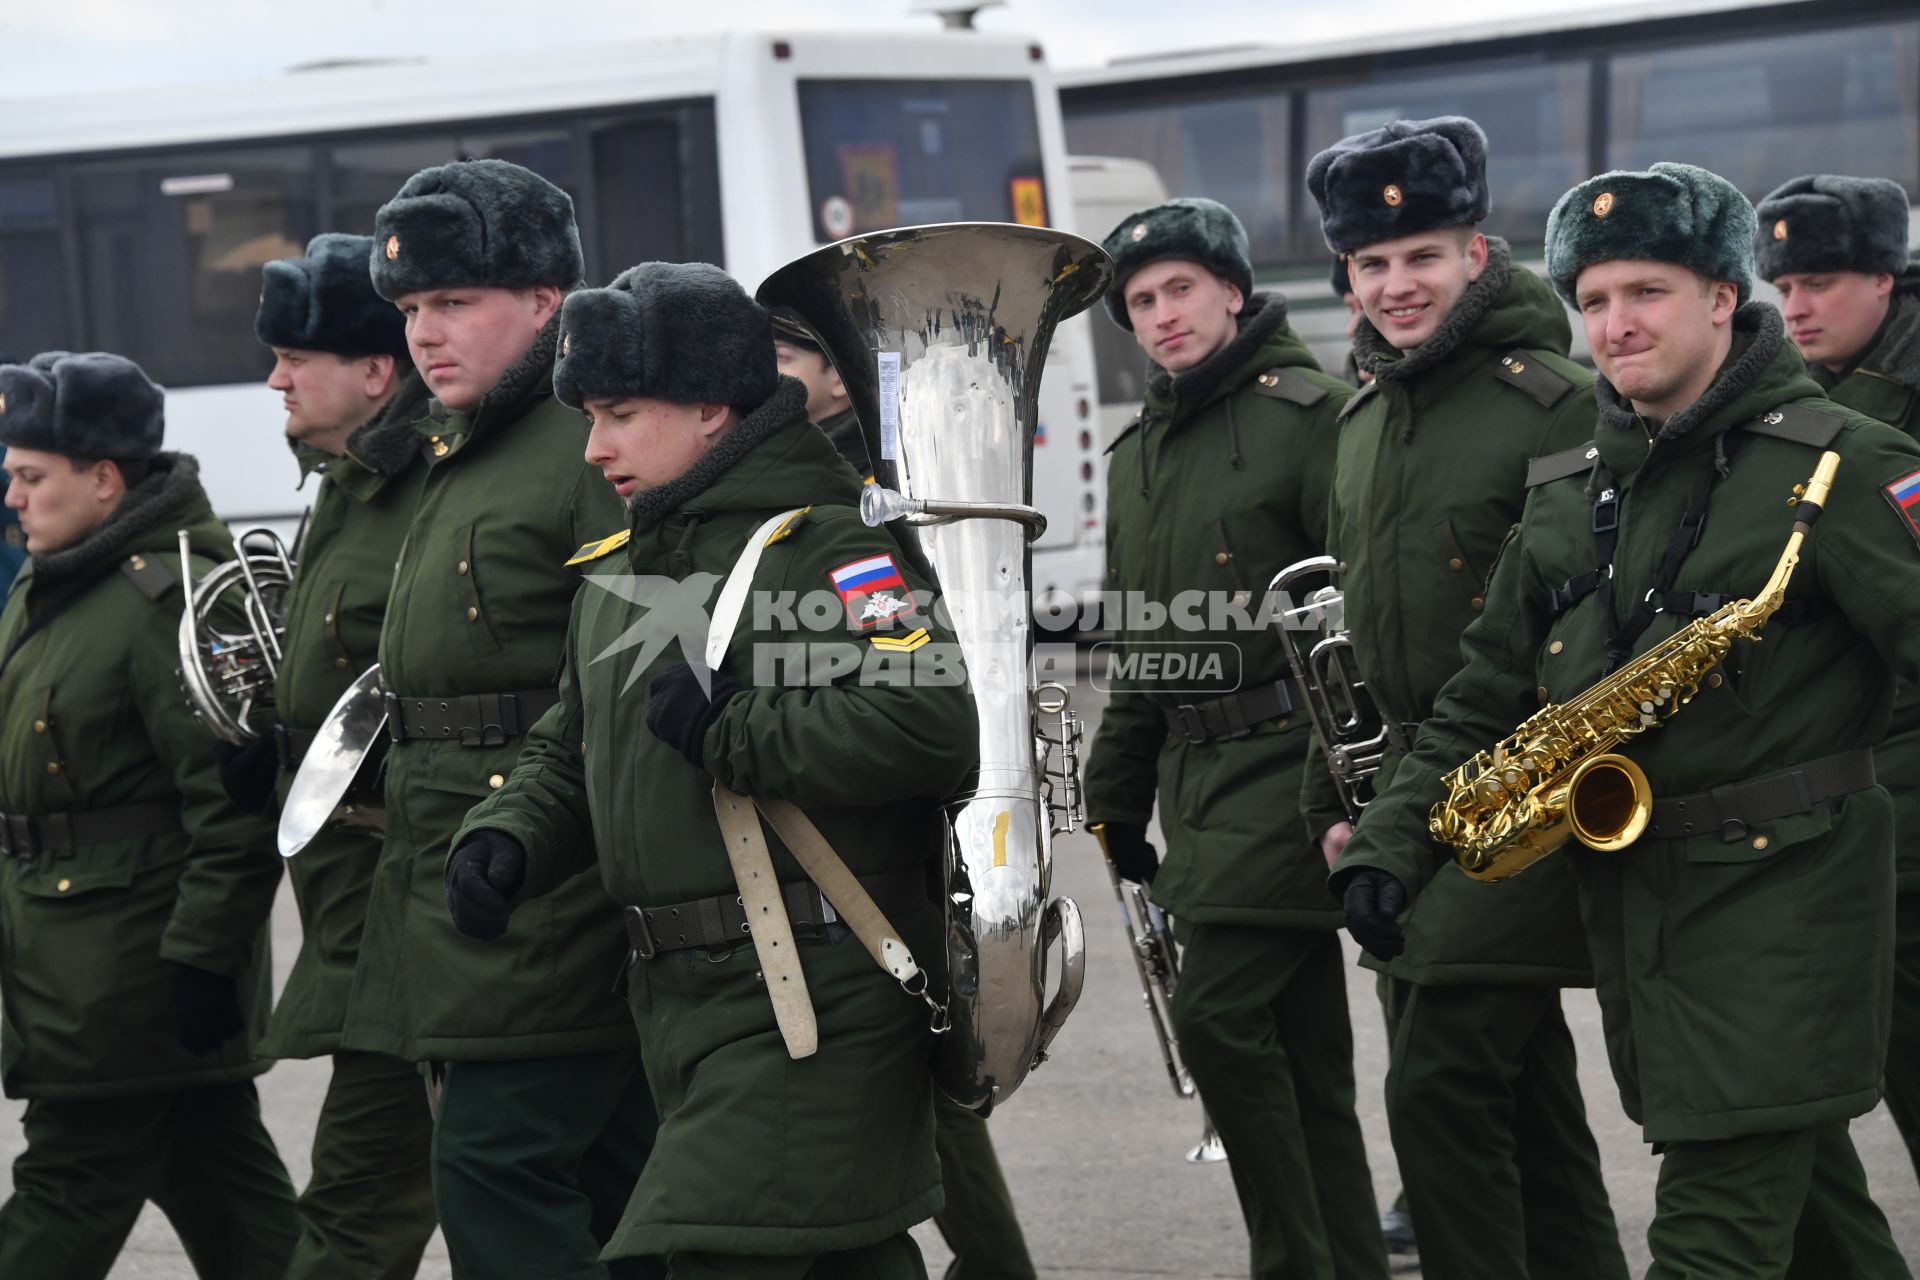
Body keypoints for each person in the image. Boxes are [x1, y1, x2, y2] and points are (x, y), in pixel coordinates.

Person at [1336, 160, 1920, 1278]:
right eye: (1593, 301)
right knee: (1821, 1233)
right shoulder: (1571, 491)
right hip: (1641, 911)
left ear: (1719, 295)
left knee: (1710, 1236)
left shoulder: (1844, 465)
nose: (1615, 324)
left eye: (1645, 291)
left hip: (1784, 915)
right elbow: (1483, 695)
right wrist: (1393, 847)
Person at [448, 260, 977, 1278]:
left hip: (809, 996)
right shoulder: (624, 566)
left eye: (618, 413)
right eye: (589, 417)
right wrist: (506, 838)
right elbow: (571, 739)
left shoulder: (827, 549)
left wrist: (736, 727)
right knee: (840, 1257)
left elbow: (931, 724)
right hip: (680, 1005)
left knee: (698, 1251)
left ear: (709, 405)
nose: (594, 446)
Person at [1303, 117, 1625, 1280]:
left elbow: (1581, 624)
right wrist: (1330, 807)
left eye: (1422, 256)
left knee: (1439, 1091)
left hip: (1518, 807)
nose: (1397, 284)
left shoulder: (1558, 404)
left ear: (1477, 256)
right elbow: (1345, 636)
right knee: (1530, 1103)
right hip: (1402, 809)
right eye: (1372, 264)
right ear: (1347, 275)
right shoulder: (1363, 422)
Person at [346, 159, 653, 1279]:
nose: (427, 333)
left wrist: (535, 834)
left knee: (493, 1169)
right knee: (621, 1187)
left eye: (456, 301)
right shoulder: (457, 443)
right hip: (462, 872)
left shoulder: (585, 440)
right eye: (414, 308)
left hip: (549, 884)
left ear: (546, 300)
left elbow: (621, 668)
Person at [1081, 197, 1389, 1280]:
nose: (1161, 315)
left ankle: (1293, 1261)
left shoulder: (1312, 413)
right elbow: (1144, 641)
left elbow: (1362, 616)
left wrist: (1349, 787)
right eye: (1140, 301)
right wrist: (1114, 790)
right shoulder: (1134, 456)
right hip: (1192, 778)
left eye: (1179, 289)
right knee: (1308, 1065)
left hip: (1295, 767)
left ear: (1232, 290)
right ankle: (1345, 1258)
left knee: (1215, 1017)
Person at [0, 351, 297, 1277]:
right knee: (241, 1214)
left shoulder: (165, 598)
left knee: (65, 1193)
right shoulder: (53, 583)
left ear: (103, 479)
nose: (11, 495)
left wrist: (205, 956)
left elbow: (232, 804)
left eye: (31, 476)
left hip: (128, 977)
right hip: (74, 955)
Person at [773, 312, 1037, 1280]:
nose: (766, 378)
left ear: (842, 384)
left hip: (879, 829)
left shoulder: (863, 504)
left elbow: (911, 678)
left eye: (787, 360)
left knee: (933, 1085)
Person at [208, 231, 439, 1278]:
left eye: (294, 357)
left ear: (373, 372)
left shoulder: (416, 491)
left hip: (412, 910)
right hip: (357, 911)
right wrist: (276, 745)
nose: (274, 378)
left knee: (353, 1215)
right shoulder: (345, 487)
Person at [1758, 173, 1920, 1190]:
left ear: (1885, 277)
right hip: (1838, 778)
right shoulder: (1793, 394)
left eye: (1818, 281)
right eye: (1782, 286)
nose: (1797, 307)